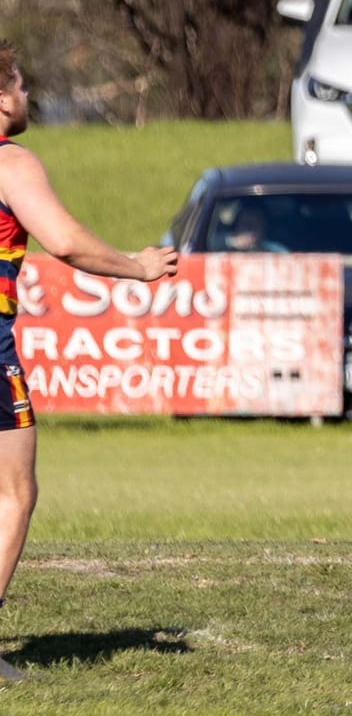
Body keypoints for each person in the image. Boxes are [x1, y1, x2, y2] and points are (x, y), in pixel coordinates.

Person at [0, 40, 178, 685]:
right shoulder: (10, 162)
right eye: (18, 84)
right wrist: (137, 267)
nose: (26, 96)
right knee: (14, 493)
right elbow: (68, 243)